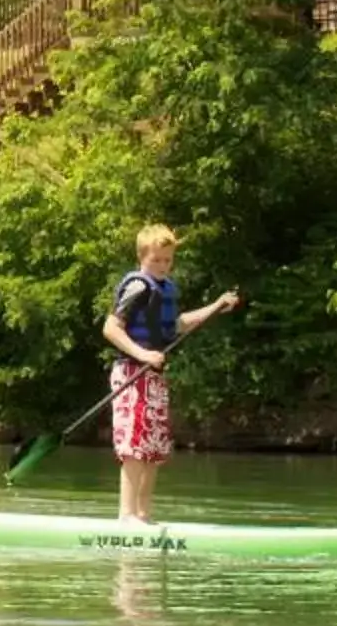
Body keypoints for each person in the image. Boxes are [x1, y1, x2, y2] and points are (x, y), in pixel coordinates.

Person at [99, 223, 241, 523]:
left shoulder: (164, 290)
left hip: (153, 377)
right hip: (129, 374)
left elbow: (178, 324)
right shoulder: (138, 286)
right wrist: (144, 355)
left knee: (153, 447)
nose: (163, 266)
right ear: (142, 257)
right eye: (156, 260)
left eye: (167, 260)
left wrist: (216, 306)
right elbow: (110, 328)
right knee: (134, 446)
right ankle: (126, 516)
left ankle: (143, 514)